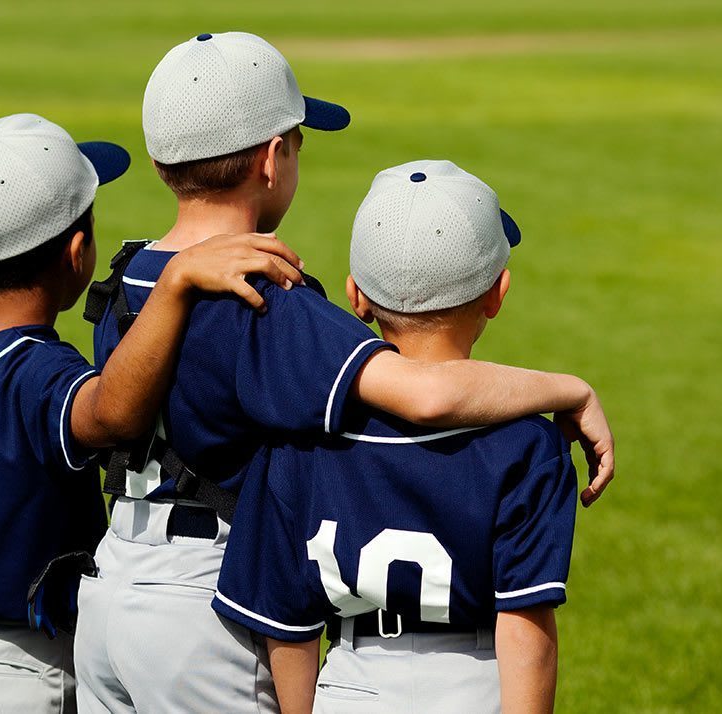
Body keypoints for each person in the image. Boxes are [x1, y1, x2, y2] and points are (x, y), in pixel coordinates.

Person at [74, 32, 613, 714]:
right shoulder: (266, 298)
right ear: (272, 158)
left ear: (158, 160)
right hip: (204, 602)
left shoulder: (129, 278)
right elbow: (424, 392)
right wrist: (570, 390)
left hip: (110, 585)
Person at [0, 112, 305, 713]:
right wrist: (174, 283)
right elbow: (112, 414)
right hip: (14, 670)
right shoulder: (40, 371)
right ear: (78, 252)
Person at [216, 160, 575, 713]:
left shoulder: (304, 434)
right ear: (497, 294)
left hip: (353, 684)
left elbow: (288, 622)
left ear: (355, 297)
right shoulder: (528, 443)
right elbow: (527, 629)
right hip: (473, 684)